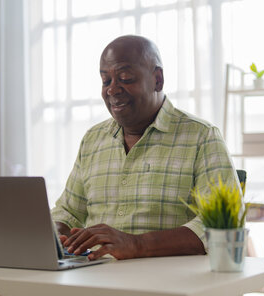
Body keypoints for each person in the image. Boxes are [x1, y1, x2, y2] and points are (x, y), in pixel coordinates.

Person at [51, 35, 240, 261]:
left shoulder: (201, 136)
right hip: (95, 278)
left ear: (157, 79)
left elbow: (222, 225)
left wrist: (138, 244)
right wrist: (55, 236)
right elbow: (69, 212)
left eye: (125, 78)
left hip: (170, 283)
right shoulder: (93, 140)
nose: (112, 90)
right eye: (105, 81)